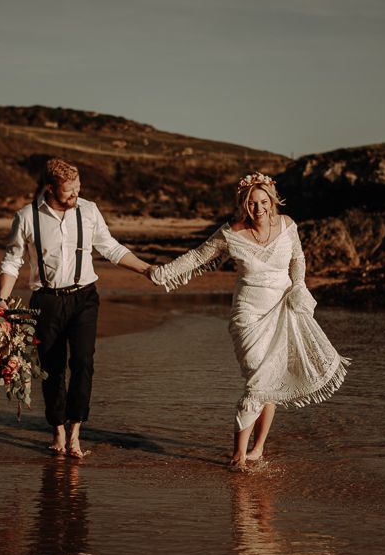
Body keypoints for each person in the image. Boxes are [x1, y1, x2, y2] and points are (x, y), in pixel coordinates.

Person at [150, 172, 350, 468]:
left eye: (263, 201)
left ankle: (256, 449)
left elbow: (298, 260)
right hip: (248, 315)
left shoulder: (288, 225)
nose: (258, 208)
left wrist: (298, 285)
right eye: (251, 203)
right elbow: (196, 258)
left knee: (273, 380)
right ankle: (237, 455)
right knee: (258, 380)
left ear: (272, 201)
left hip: (283, 310)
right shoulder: (231, 233)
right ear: (244, 204)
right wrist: (163, 273)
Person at [0, 158, 153, 457]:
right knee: (52, 370)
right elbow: (12, 261)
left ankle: (76, 432)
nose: (75, 196)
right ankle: (57, 430)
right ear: (50, 188)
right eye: (69, 192)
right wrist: (2, 300)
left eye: (78, 189)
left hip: (84, 298)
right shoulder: (27, 217)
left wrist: (146, 269)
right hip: (45, 302)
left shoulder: (89, 210)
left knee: (83, 363)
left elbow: (111, 248)